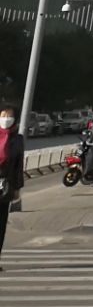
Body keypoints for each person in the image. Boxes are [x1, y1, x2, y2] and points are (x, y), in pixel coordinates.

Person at [0, 104, 25, 263]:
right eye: (3, 116)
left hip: (5, 185)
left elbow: (18, 165)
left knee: (1, 223)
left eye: (9, 116)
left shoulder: (17, 139)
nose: (6, 119)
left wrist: (17, 188)